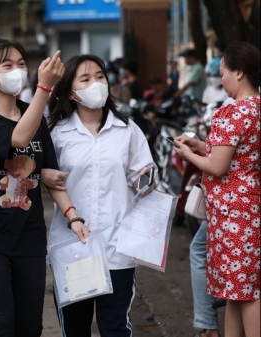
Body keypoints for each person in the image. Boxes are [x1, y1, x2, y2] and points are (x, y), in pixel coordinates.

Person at [0, 39, 73, 336]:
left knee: (30, 327)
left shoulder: (36, 116)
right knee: (1, 324)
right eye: (6, 65)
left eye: (21, 64)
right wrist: (44, 89)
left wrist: (73, 216)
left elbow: (50, 170)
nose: (17, 70)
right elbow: (19, 138)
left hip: (30, 236)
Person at [46, 54, 156, 336]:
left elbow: (142, 176)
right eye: (85, 78)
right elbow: (48, 180)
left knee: (115, 327)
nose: (95, 83)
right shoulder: (58, 133)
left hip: (118, 246)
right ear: (71, 92)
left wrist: (147, 179)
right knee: (75, 328)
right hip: (73, 247)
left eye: (100, 76)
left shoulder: (127, 129)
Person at [174, 41, 260, 337]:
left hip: (232, 214)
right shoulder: (256, 108)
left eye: (223, 72)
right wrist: (201, 146)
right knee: (239, 290)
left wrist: (188, 155)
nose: (220, 79)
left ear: (239, 73)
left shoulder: (231, 113)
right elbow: (234, 154)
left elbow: (218, 166)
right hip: (250, 208)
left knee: (245, 294)